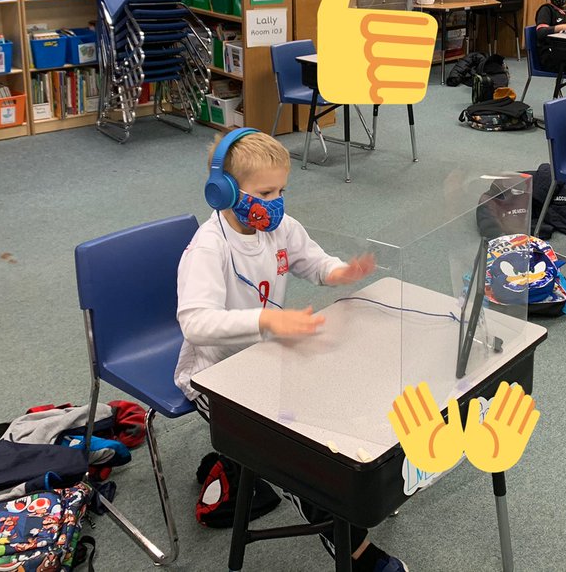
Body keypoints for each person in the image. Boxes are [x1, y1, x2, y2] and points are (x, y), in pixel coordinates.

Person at [174, 128, 408, 572]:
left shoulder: (277, 226)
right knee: (301, 457)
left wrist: (338, 272)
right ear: (223, 191)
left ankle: (358, 486)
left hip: (271, 359)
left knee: (342, 397)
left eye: (282, 190)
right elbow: (195, 322)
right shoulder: (207, 249)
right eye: (265, 191)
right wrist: (266, 319)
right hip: (216, 378)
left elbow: (313, 261)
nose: (276, 201)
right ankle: (356, 552)